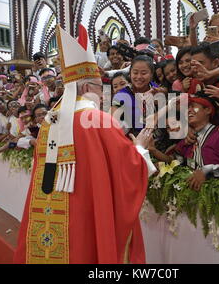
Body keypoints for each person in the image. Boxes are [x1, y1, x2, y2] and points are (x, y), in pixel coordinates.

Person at [14, 25, 157, 264]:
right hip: (87, 212)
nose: (103, 95)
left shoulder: (50, 121)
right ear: (89, 88)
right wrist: (140, 148)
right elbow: (127, 170)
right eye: (101, 89)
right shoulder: (98, 121)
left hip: (57, 211)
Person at [174, 92, 219, 191]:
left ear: (208, 110)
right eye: (187, 108)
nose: (188, 110)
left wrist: (208, 172)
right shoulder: (186, 141)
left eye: (193, 106)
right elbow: (176, 166)